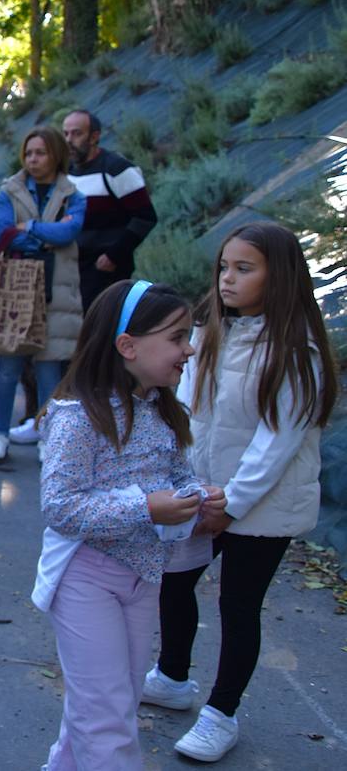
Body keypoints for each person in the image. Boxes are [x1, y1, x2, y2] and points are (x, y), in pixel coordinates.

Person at [143, 222, 339, 763]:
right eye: (224, 267)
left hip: (261, 505)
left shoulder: (298, 353)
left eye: (244, 268)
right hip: (203, 497)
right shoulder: (207, 337)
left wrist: (230, 505)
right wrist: (187, 489)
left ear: (279, 277)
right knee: (173, 582)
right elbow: (185, 416)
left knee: (238, 605)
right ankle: (173, 677)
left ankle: (220, 714)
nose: (227, 278)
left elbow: (276, 445)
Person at [32, 279, 226, 771]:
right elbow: (60, 506)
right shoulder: (78, 417)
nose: (188, 350)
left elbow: (175, 474)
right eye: (178, 337)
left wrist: (199, 497)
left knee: (111, 698)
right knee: (108, 716)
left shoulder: (161, 409)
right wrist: (148, 508)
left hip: (143, 579)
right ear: (127, 345)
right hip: (85, 578)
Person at [0, 127, 87, 465]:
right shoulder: (9, 191)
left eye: (40, 152)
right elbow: (5, 233)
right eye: (28, 153)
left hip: (57, 296)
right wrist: (44, 238)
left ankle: (47, 437)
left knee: (49, 372)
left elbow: (71, 230)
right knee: (7, 370)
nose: (32, 159)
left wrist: (29, 228)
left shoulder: (73, 194)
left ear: (56, 154)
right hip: (16, 292)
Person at [61, 110, 158, 310]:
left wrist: (114, 255)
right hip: (72, 266)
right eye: (66, 134)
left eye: (77, 133)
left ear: (94, 136)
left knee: (101, 328)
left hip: (105, 271)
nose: (69, 140)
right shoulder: (66, 172)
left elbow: (145, 217)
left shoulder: (117, 169)